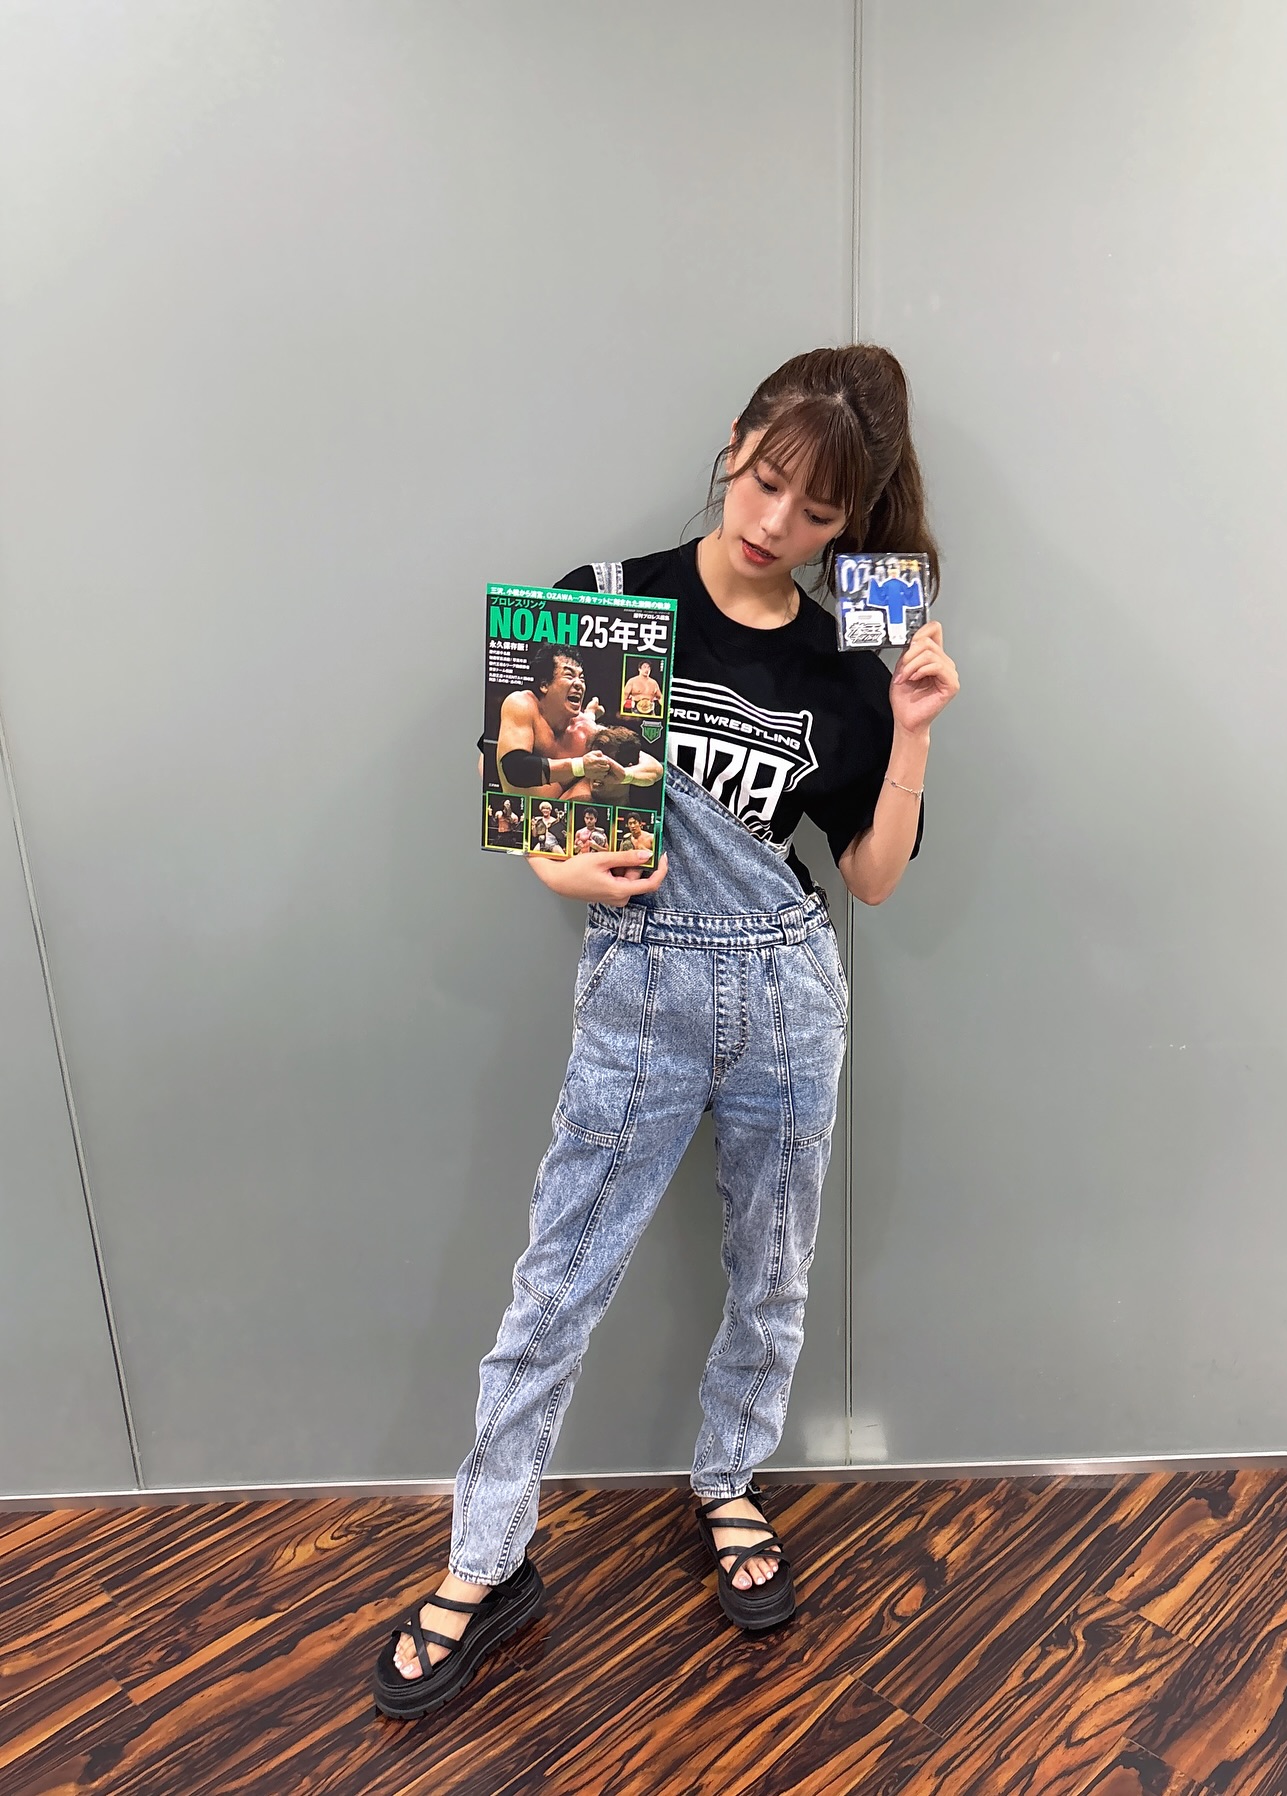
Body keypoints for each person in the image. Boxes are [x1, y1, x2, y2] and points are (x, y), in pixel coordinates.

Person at [373, 344, 960, 1720]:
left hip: (789, 992)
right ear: (737, 441)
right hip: (641, 989)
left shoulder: (847, 658)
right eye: (764, 479)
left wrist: (915, 730)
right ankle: (485, 1556)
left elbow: (872, 879)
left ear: (849, 524)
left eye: (818, 511)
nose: (775, 522)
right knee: (559, 1276)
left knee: (773, 1269)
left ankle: (728, 1480)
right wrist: (562, 867)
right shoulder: (609, 602)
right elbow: (539, 813)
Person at [493, 645, 618, 799]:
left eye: (582, 678)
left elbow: (643, 762)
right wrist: (579, 766)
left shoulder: (586, 729)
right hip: (519, 810)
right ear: (544, 685)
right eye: (569, 676)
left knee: (591, 786)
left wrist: (627, 775)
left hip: (564, 811)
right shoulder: (522, 704)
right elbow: (515, 768)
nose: (578, 684)